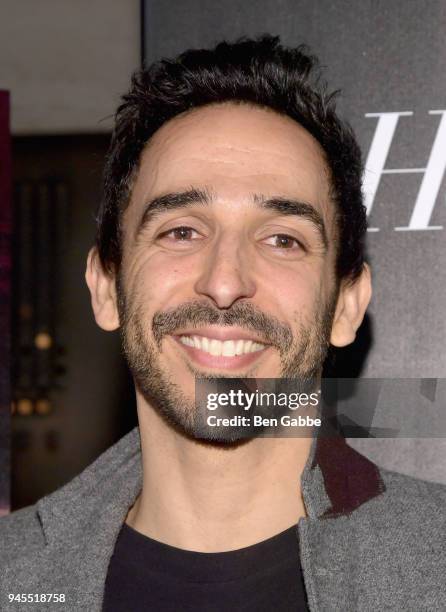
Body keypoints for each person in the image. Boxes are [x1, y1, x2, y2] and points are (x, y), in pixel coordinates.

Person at [1, 35, 445, 612]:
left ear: (346, 305)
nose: (225, 280)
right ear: (106, 286)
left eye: (283, 239)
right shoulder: (16, 577)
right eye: (181, 231)